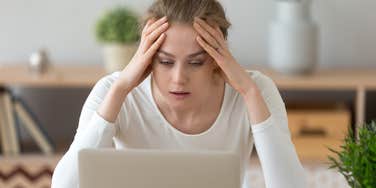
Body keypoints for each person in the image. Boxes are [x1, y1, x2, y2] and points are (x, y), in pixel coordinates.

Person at [51, 0, 307, 187]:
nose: (178, 79)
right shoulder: (113, 91)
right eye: (165, 61)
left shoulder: (255, 91)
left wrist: (250, 93)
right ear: (148, 58)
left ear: (218, 59)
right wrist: (120, 90)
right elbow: (65, 186)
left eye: (196, 62)